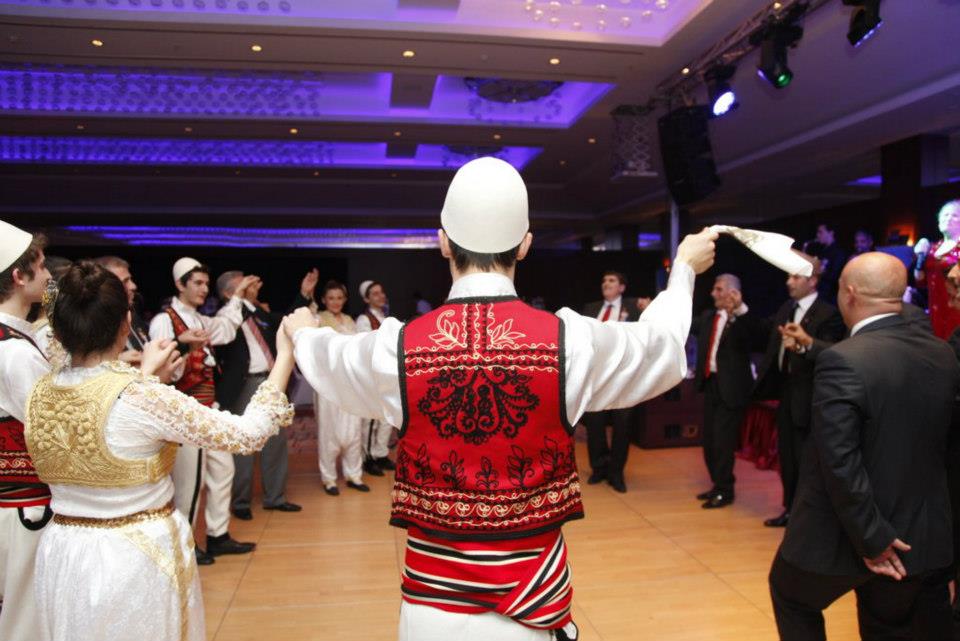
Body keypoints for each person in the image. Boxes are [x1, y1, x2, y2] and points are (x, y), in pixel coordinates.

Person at [285, 156, 717, 640]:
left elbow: (326, 357)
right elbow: (662, 347)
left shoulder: (395, 348)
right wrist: (683, 269)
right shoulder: (571, 343)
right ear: (526, 245)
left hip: (431, 611)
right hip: (533, 607)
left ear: (443, 242)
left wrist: (303, 329)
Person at [24, 260, 295, 641]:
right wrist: (286, 354)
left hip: (63, 550)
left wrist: (148, 374)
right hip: (135, 556)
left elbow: (105, 408)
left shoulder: (41, 391)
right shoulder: (141, 396)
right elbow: (247, 435)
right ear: (125, 323)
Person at [769, 252, 958, 641]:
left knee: (791, 596)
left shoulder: (843, 360)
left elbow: (840, 461)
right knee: (889, 621)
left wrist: (872, 539)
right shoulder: (943, 353)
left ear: (850, 293)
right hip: (922, 535)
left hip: (852, 537)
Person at [148, 257, 259, 564]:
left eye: (206, 284)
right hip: (184, 411)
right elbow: (158, 367)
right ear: (179, 284)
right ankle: (185, 544)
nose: (203, 289)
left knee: (223, 470)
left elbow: (225, 329)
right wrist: (183, 345)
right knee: (189, 482)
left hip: (208, 409)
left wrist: (238, 297)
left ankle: (218, 535)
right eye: (197, 283)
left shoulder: (199, 319)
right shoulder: (164, 320)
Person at [216, 269, 315, 521]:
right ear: (228, 293)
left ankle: (275, 497)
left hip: (270, 380)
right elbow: (224, 334)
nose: (251, 285)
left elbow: (284, 321)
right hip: (244, 385)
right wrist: (239, 299)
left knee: (275, 440)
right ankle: (240, 501)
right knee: (243, 443)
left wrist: (304, 294)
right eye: (242, 284)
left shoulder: (257, 312)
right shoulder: (225, 316)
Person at [754, 254, 844, 527]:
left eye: (795, 277)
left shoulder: (828, 313)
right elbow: (764, 334)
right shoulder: (786, 308)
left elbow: (834, 354)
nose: (788, 282)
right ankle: (790, 510)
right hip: (786, 395)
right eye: (788, 276)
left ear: (813, 281)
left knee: (807, 461)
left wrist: (805, 345)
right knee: (788, 459)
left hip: (811, 399)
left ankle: (808, 517)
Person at [0, 221, 52, 641]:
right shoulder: (15, 351)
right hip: (24, 503)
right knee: (25, 619)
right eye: (43, 266)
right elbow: (49, 429)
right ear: (19, 276)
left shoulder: (15, 339)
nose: (49, 275)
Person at [693, 273, 755, 509]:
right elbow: (687, 325)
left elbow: (757, 335)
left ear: (732, 292)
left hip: (732, 389)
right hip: (711, 385)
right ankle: (717, 485)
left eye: (718, 290)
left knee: (723, 443)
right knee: (709, 441)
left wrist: (739, 310)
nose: (713, 294)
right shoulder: (709, 317)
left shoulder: (742, 320)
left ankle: (725, 490)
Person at [579, 271, 642, 493]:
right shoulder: (590, 309)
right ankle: (598, 468)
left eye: (612, 280)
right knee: (595, 425)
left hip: (623, 378)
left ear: (622, 287)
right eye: (604, 280)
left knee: (622, 426)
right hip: (596, 378)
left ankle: (616, 473)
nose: (606, 283)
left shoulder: (634, 308)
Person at [313, 280, 369, 495]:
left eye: (339, 298)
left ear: (345, 300)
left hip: (350, 382)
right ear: (324, 300)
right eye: (331, 298)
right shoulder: (318, 320)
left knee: (353, 429)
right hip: (328, 383)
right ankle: (329, 478)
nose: (335, 302)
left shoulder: (349, 320)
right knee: (329, 430)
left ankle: (354, 474)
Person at [355, 280, 397, 476]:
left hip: (386, 374)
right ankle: (368, 457)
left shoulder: (385, 317)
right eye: (375, 293)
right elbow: (365, 347)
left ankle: (381, 453)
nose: (380, 296)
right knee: (371, 419)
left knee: (386, 418)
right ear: (366, 299)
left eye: (381, 292)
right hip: (372, 375)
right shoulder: (364, 320)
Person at [914, 199, 960, 339]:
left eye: (954, 215)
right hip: (936, 312)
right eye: (945, 215)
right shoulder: (932, 248)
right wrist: (920, 258)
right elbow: (920, 282)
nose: (948, 218)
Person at [810, 223, 845, 304]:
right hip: (820, 294)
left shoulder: (838, 252)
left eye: (820, 232)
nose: (817, 235)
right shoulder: (823, 251)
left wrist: (819, 272)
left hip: (830, 298)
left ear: (831, 233)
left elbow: (835, 276)